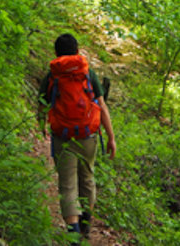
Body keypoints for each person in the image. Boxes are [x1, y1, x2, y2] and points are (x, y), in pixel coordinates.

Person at [38, 33, 117, 240]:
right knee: (87, 179)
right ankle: (85, 226)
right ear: (77, 50)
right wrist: (111, 137)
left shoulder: (53, 75)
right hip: (88, 136)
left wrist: (41, 125)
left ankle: (73, 237)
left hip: (62, 137)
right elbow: (102, 106)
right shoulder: (87, 73)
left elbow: (42, 105)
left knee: (68, 186)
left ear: (56, 53)